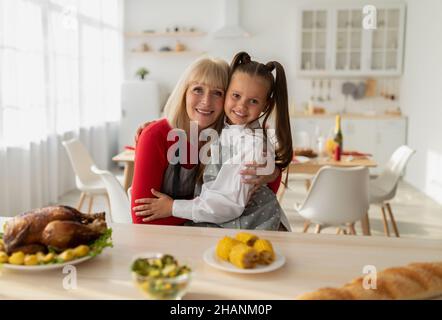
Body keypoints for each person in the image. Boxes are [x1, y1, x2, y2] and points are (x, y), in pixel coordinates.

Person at [133, 52, 293, 231]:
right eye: (198, 89)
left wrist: (271, 171)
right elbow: (142, 220)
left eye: (217, 93)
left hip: (246, 233)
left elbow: (243, 196)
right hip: (189, 237)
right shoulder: (157, 135)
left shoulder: (231, 133)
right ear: (183, 92)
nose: (206, 101)